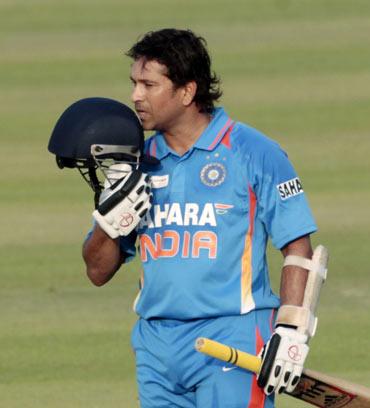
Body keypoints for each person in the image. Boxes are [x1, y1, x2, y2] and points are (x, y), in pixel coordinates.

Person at [83, 28, 318, 407]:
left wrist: (291, 329)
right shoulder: (135, 166)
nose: (135, 96)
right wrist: (109, 223)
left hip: (232, 340)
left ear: (187, 92)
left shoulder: (254, 153)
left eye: (148, 84)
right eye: (133, 83)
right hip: (156, 348)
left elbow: (298, 246)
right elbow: (97, 272)